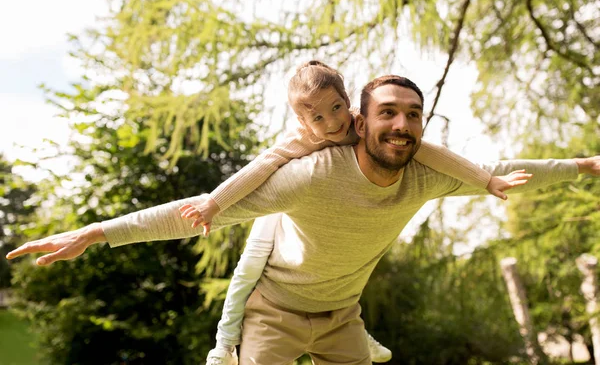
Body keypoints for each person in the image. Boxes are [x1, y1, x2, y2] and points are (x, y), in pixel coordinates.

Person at [7, 74, 600, 364]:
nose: (401, 125)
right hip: (275, 314)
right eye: (388, 113)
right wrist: (96, 233)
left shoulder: (426, 173)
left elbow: (504, 167)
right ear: (359, 123)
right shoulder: (313, 174)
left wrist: (583, 165)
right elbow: (201, 214)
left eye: (413, 116)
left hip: (343, 318)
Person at [177, 61, 529, 365]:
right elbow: (257, 169)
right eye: (317, 117)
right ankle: (223, 347)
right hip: (283, 211)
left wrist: (485, 181)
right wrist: (214, 203)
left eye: (336, 108)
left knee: (345, 262)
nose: (331, 122)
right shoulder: (301, 141)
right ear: (302, 120)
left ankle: (355, 334)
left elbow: (433, 153)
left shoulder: (362, 125)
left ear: (347, 103)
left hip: (321, 217)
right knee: (247, 272)